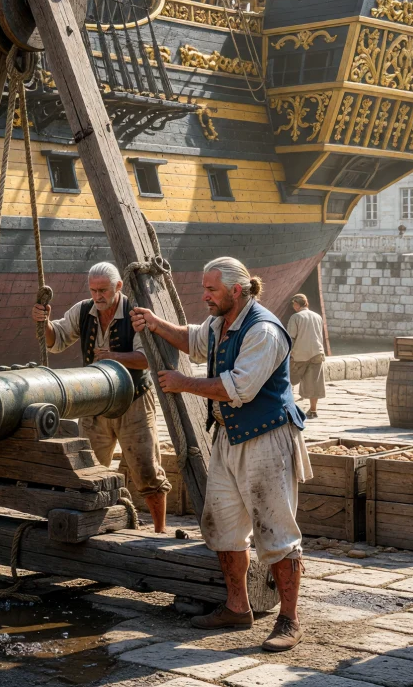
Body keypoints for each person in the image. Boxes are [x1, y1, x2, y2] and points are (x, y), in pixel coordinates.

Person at [131, 257, 310, 652]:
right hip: (228, 438)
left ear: (236, 290)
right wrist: (157, 324)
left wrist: (181, 383)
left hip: (267, 439)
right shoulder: (219, 323)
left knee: (277, 534)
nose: (205, 295)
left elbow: (238, 389)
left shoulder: (263, 330)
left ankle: (290, 619)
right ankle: (236, 607)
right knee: (223, 528)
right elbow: (193, 339)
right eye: (204, 287)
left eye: (211, 289)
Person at [33, 262, 171, 532]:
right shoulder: (84, 311)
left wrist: (113, 357)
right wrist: (44, 322)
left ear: (118, 287)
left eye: (103, 290)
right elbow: (56, 340)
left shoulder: (136, 313)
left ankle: (160, 530)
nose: (98, 296)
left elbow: (147, 359)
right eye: (94, 290)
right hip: (95, 402)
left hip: (135, 401)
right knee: (89, 470)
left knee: (147, 470)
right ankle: (96, 525)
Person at [286, 294, 326, 419]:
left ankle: (289, 406)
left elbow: (291, 337)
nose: (293, 307)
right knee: (315, 383)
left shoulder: (296, 317)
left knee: (289, 380)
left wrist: (287, 353)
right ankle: (313, 410)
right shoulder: (317, 316)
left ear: (296, 304)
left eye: (293, 304)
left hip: (299, 354)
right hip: (316, 353)